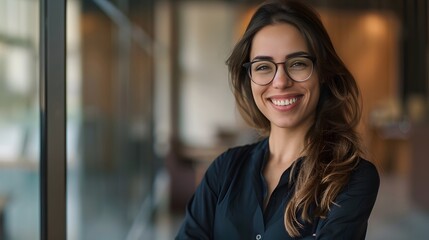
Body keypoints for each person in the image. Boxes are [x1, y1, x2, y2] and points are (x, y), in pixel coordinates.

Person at [176, 0, 380, 239]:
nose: (280, 82)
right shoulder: (223, 170)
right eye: (263, 67)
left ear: (323, 72)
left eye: (297, 64)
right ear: (248, 78)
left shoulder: (352, 179)